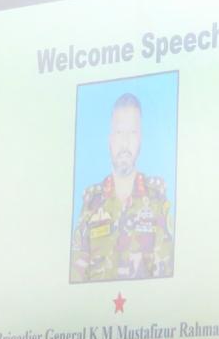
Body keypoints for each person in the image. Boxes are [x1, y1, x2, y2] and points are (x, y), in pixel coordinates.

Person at [70, 92, 174, 282]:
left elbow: (166, 272)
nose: (125, 142)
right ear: (110, 139)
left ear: (140, 139)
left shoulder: (157, 199)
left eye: (132, 133)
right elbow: (76, 275)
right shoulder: (91, 203)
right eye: (119, 133)